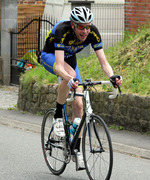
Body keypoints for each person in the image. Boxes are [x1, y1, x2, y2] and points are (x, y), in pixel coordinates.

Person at [41, 6, 122, 168]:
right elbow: (59, 66)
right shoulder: (62, 31)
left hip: (70, 59)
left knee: (78, 104)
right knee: (70, 75)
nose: (85, 31)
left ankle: (76, 149)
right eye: (80, 27)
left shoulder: (93, 33)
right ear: (72, 25)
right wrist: (68, 78)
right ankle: (57, 115)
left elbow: (104, 63)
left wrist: (112, 77)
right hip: (51, 56)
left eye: (87, 26)